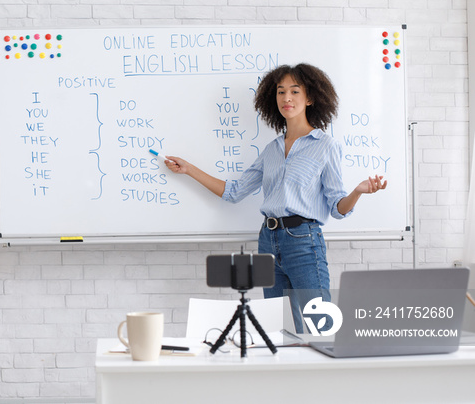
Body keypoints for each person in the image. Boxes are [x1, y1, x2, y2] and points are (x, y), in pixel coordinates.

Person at [165, 63, 387, 333]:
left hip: (304, 241)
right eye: (281, 92)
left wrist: (357, 192)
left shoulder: (325, 146)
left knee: (321, 325)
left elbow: (337, 208)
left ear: (310, 97)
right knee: (280, 330)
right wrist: (189, 169)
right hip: (268, 241)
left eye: (295, 91)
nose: (287, 98)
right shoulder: (271, 150)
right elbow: (234, 192)